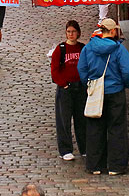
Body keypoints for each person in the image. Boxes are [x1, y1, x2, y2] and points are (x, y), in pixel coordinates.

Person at [77, 18, 129, 176]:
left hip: (96, 92)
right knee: (117, 129)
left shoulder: (88, 48)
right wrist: (126, 84)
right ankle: (116, 166)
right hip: (115, 92)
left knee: (95, 128)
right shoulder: (118, 49)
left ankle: (95, 165)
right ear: (113, 31)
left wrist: (89, 85)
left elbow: (82, 69)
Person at [50, 20, 86, 161]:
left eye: (73, 31)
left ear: (78, 33)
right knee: (64, 120)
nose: (71, 34)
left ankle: (84, 147)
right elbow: (54, 70)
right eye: (69, 32)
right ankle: (65, 149)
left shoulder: (83, 48)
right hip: (66, 89)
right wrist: (63, 84)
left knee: (82, 119)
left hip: (80, 87)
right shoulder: (61, 49)